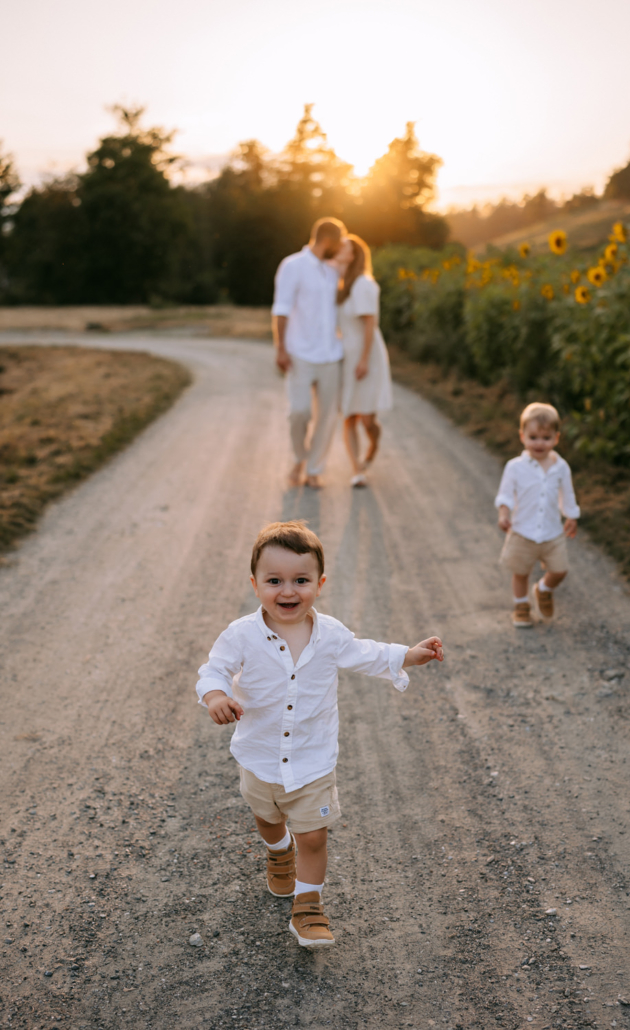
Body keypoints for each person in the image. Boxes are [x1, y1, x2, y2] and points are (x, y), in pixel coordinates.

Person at [195, 520, 443, 948]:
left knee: (314, 836)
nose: (287, 591)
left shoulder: (329, 634)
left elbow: (366, 652)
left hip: (312, 760)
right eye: (274, 580)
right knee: (267, 818)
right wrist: (216, 695)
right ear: (254, 584)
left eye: (300, 580)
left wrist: (408, 654)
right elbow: (214, 669)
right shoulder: (241, 635)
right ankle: (277, 851)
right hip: (259, 755)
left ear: (320, 583)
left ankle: (307, 908)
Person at [272, 218, 346, 490]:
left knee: (327, 417)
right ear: (327, 241)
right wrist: (280, 348)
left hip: (331, 355)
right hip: (300, 353)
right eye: (337, 244)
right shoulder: (292, 266)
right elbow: (280, 309)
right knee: (299, 412)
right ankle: (298, 458)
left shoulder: (332, 271)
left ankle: (314, 469)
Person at [495, 402, 580, 628]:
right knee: (520, 571)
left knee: (560, 569)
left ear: (556, 438)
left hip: (553, 531)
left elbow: (567, 494)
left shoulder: (561, 467)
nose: (539, 443)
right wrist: (504, 513)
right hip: (522, 530)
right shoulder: (514, 467)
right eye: (533, 437)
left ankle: (544, 589)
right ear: (522, 436)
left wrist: (571, 516)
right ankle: (521, 607)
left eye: (546, 437)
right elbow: (505, 495)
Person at [332, 234, 393, 487]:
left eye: (343, 246)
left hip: (366, 354)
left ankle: (374, 445)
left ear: (354, 254)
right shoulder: (340, 284)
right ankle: (357, 470)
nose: (337, 248)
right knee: (349, 414)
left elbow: (370, 323)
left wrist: (364, 359)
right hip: (345, 355)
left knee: (367, 418)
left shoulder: (363, 284)